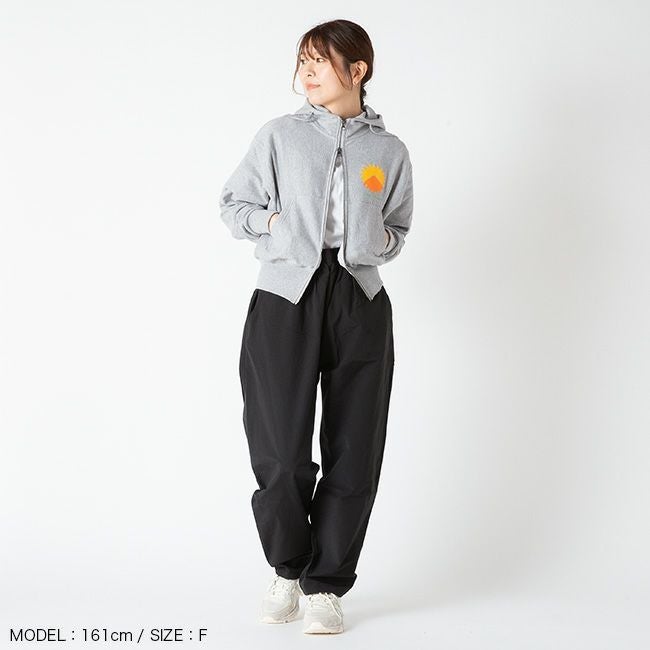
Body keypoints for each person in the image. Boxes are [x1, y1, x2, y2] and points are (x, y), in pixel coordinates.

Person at [219, 19, 414, 635]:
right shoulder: (279, 136)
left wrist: (374, 242)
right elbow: (233, 204)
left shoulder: (389, 151)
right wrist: (273, 227)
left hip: (360, 298)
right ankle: (288, 568)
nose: (306, 72)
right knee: (279, 449)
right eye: (302, 61)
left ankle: (326, 585)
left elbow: (399, 227)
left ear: (357, 71)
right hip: (285, 296)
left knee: (355, 450)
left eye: (320, 61)